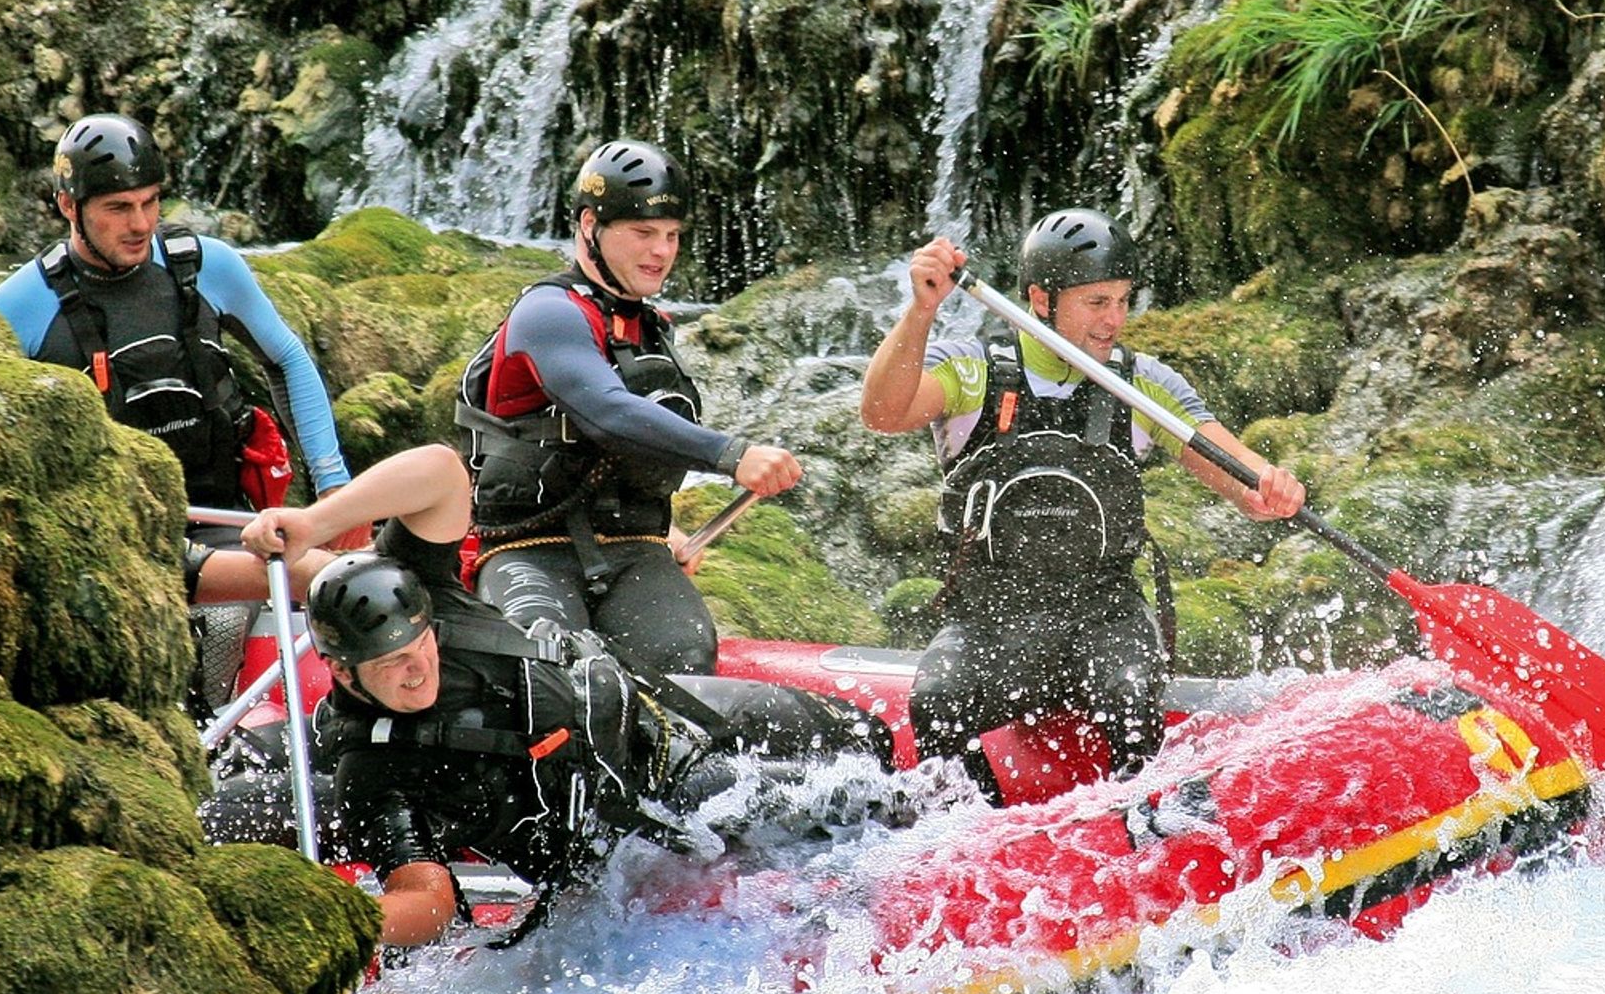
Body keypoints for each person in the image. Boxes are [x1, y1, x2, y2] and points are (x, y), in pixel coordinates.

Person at [237, 443, 889, 947]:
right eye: (390, 666)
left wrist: (314, 519)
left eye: (420, 648)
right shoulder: (373, 770)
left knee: (867, 737)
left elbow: (439, 470)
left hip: (651, 711)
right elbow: (428, 898)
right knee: (861, 805)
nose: (417, 671)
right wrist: (344, 921)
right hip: (636, 813)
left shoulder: (426, 589)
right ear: (344, 674)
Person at [859, 208, 1306, 799]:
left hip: (1104, 616)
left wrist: (1272, 486)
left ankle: (1144, 833)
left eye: (1123, 301)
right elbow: (883, 414)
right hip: (991, 619)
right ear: (1041, 298)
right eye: (1097, 302)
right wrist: (922, 312)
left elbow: (1244, 482)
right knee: (939, 702)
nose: (1114, 321)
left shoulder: (1144, 384)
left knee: (1128, 694)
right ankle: (974, 836)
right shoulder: (971, 368)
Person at [0, 111, 370, 610]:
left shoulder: (206, 266)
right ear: (68, 206)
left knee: (344, 584)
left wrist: (332, 485)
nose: (141, 224)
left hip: (228, 523)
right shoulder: (18, 307)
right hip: (114, 541)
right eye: (119, 207)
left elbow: (288, 360)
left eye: (150, 202)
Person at [457, 138, 802, 676]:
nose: (661, 251)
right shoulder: (548, 312)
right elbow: (608, 412)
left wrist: (665, 532)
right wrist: (732, 455)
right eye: (643, 233)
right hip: (527, 551)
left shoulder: (650, 328)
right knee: (554, 668)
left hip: (634, 550)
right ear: (590, 226)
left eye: (672, 236)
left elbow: (631, 450)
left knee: (687, 661)